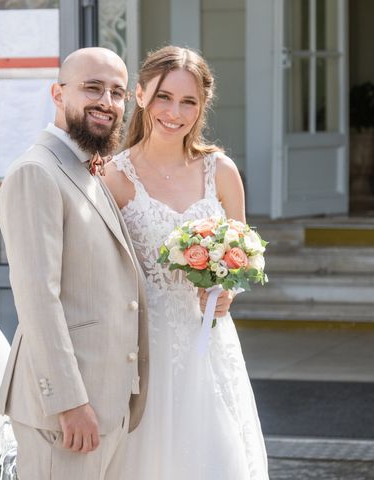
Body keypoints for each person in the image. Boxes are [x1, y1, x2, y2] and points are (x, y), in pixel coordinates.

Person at [104, 46, 269, 479]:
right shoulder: (113, 178)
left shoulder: (222, 171)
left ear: (202, 107)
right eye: (164, 96)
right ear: (140, 96)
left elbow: (243, 257)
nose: (174, 112)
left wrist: (227, 292)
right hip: (147, 351)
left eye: (188, 101)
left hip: (210, 344)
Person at [0, 47, 149, 480]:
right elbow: (38, 299)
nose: (107, 102)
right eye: (93, 88)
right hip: (66, 414)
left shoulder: (87, 169)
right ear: (58, 94)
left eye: (118, 93)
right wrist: (68, 402)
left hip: (107, 403)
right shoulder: (36, 172)